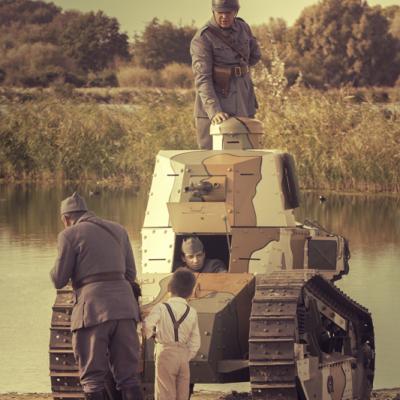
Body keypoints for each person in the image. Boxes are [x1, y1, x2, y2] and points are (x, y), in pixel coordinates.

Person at [50, 192, 143, 400]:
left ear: (66, 218)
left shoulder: (69, 234)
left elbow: (59, 279)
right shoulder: (119, 230)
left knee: (92, 378)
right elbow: (130, 274)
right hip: (125, 309)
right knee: (128, 377)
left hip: (93, 311)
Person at [190, 0, 261, 149]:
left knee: (246, 153)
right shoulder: (203, 37)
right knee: (211, 157)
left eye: (228, 13)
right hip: (216, 102)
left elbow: (255, 55)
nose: (223, 16)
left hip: (242, 98)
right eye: (219, 13)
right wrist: (215, 111)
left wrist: (238, 71)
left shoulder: (243, 28)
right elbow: (203, 78)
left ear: (235, 12)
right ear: (213, 11)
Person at [143, 268, 200, 400]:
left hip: (165, 353)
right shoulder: (192, 312)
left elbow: (147, 326)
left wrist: (152, 335)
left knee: (164, 393)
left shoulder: (161, 307)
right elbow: (196, 342)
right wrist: (186, 355)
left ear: (169, 287)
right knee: (182, 395)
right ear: (191, 292)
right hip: (183, 355)